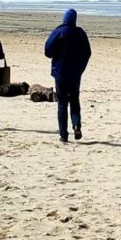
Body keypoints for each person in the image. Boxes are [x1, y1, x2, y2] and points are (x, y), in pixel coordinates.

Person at [43, 8, 92, 142]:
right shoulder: (80, 33)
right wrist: (81, 68)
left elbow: (47, 51)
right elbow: (87, 53)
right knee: (74, 100)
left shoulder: (58, 32)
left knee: (62, 103)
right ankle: (76, 125)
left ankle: (63, 135)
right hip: (75, 73)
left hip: (60, 73)